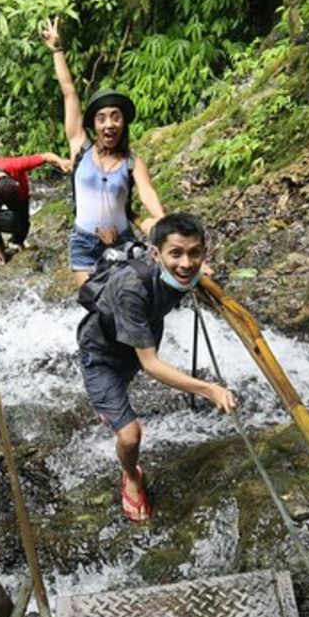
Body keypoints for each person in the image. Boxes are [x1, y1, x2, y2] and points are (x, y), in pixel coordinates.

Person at [76, 213, 236, 523]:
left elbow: (189, 266)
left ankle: (111, 406)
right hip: (102, 355)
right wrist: (209, 390)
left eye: (195, 253)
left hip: (139, 338)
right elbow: (150, 365)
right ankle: (131, 476)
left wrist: (202, 274)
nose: (186, 263)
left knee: (123, 387)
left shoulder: (184, 271)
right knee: (130, 436)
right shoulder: (132, 288)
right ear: (156, 253)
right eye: (176, 253)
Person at [41, 17, 167, 286]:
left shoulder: (133, 163)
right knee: (93, 301)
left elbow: (149, 196)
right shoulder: (80, 147)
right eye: (102, 118)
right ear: (94, 125)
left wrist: (169, 235)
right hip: (84, 243)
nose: (109, 124)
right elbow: (69, 92)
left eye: (115, 117)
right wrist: (57, 50)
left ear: (124, 123)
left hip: (122, 241)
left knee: (124, 301)